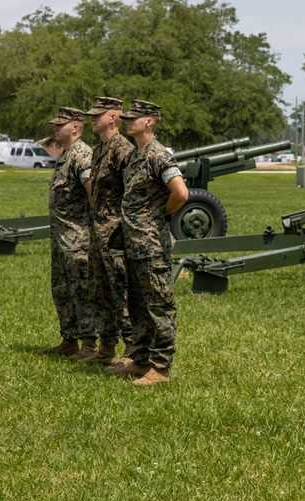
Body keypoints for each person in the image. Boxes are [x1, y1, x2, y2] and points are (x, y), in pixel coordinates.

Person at [111, 100, 188, 386]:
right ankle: (140, 360)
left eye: (134, 118)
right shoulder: (134, 156)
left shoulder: (158, 155)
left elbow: (180, 192)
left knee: (159, 305)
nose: (127, 121)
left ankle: (160, 367)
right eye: (126, 117)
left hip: (152, 244)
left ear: (150, 122)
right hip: (133, 243)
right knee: (138, 305)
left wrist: (158, 213)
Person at [77, 96, 135, 367]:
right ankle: (107, 347)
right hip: (98, 235)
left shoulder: (122, 149)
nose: (92, 118)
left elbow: (133, 192)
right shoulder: (99, 150)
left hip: (115, 236)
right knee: (100, 292)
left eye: (98, 114)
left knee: (121, 292)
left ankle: (132, 350)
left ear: (113, 117)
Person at [39, 107, 96, 358]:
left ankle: (90, 345)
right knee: (62, 291)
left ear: (75, 127)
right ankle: (69, 340)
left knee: (82, 292)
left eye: (60, 124)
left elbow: (93, 192)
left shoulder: (82, 155)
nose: (54, 128)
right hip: (61, 240)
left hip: (78, 239)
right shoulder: (66, 155)